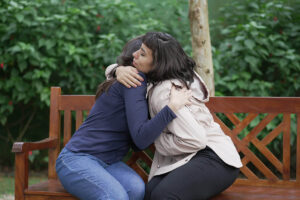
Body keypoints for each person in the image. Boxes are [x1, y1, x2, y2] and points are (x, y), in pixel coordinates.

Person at [55, 35, 192, 200]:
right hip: (77, 159)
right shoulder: (134, 82)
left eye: (142, 54)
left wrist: (116, 69)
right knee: (116, 197)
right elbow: (141, 139)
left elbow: (136, 141)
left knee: (136, 190)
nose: (136, 56)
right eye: (137, 52)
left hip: (107, 163)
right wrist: (172, 108)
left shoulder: (141, 84)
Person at [109, 32, 243, 200]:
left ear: (157, 64)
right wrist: (118, 70)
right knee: (150, 193)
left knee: (162, 196)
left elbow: (196, 140)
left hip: (216, 159)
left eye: (142, 53)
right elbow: (117, 68)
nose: (135, 55)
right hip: (195, 157)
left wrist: (157, 140)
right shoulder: (157, 80)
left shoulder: (167, 91)